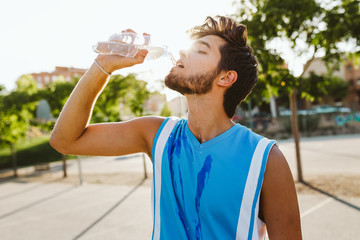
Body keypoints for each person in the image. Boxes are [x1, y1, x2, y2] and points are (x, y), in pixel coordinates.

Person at [50, 16, 302, 240]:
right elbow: (65, 140)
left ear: (226, 77)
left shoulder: (265, 158)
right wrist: (103, 66)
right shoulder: (156, 134)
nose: (183, 52)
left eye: (200, 51)